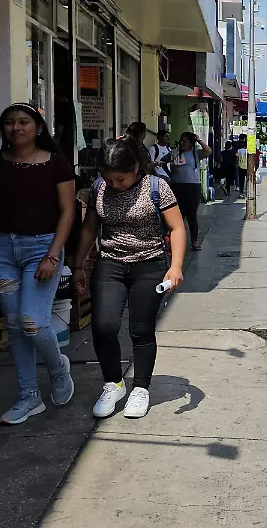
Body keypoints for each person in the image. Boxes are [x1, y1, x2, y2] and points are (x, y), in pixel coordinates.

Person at [0, 103, 76, 425]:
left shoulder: (56, 164)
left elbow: (68, 212)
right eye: (10, 122)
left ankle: (58, 368)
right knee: (14, 326)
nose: (16, 127)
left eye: (24, 121)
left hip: (42, 249)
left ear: (38, 128)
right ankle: (29, 396)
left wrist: (54, 255)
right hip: (2, 250)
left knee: (32, 323)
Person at [74, 137, 186, 419]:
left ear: (135, 168)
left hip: (149, 265)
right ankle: (113, 383)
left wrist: (176, 267)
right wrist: (77, 265)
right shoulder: (99, 189)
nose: (113, 185)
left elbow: (177, 227)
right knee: (103, 326)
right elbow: (89, 229)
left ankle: (141, 388)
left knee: (141, 329)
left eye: (120, 179)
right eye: (108, 179)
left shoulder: (157, 188)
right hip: (110, 262)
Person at [169, 132, 211, 250]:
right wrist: (169, 175)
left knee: (191, 216)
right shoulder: (174, 153)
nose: (182, 143)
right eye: (181, 141)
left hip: (193, 187)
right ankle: (177, 241)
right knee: (179, 215)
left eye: (185, 141)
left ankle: (194, 241)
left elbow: (208, 151)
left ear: (191, 144)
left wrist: (199, 141)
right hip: (177, 186)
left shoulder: (196, 153)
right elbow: (162, 162)